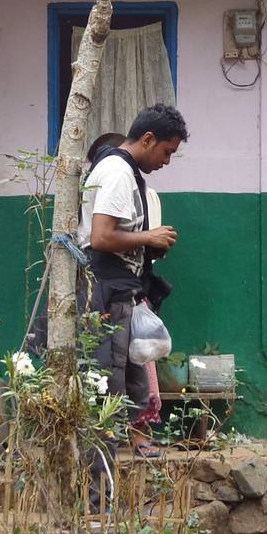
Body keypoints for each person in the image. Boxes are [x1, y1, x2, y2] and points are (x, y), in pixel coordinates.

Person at [79, 105, 186, 458]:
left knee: (128, 381)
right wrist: (148, 238)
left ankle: (107, 478)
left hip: (121, 291)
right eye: (167, 152)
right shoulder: (117, 172)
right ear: (148, 139)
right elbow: (101, 238)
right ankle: (97, 487)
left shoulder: (125, 171)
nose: (167, 162)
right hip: (106, 294)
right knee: (108, 386)